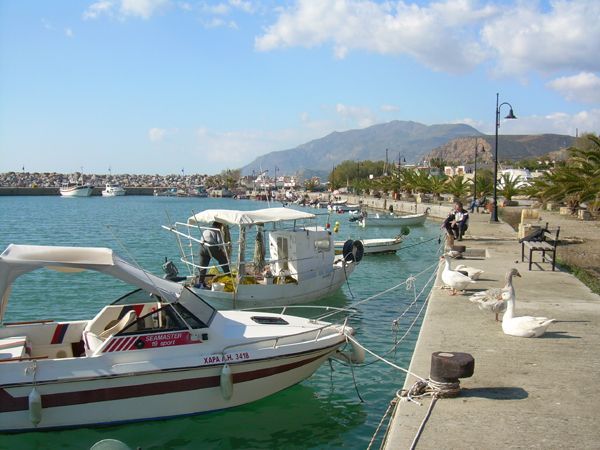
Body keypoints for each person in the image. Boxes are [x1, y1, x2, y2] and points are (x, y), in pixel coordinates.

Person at [197, 221, 230, 288]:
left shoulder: (206, 230)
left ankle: (200, 283)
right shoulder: (217, 230)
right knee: (223, 260)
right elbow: (220, 242)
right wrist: (223, 251)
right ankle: (228, 275)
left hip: (202, 247)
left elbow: (201, 240)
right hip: (211, 246)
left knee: (203, 266)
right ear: (219, 225)